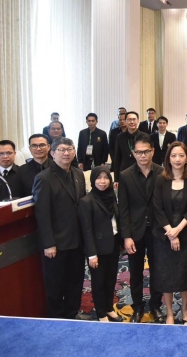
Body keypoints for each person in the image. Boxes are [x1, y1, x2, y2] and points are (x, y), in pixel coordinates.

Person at [32, 138, 87, 319]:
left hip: (77, 240)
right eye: (61, 150)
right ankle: (57, 319)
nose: (66, 153)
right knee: (55, 285)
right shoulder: (44, 178)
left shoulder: (78, 174)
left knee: (75, 280)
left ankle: (72, 314)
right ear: (53, 153)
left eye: (69, 149)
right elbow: (42, 214)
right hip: (56, 243)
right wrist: (48, 243)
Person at [152, 142, 187, 325]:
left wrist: (178, 230)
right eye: (173, 155)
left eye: (181, 155)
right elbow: (157, 208)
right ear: (168, 158)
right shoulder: (161, 179)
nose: (177, 159)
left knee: (183, 274)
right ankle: (169, 312)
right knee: (166, 275)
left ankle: (184, 308)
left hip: (186, 234)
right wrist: (170, 232)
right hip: (163, 236)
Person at [118, 137, 165, 323]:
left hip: (157, 231)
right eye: (139, 152)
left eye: (146, 151)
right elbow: (123, 209)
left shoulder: (162, 173)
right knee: (135, 272)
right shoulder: (125, 175)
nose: (143, 155)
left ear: (152, 151)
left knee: (157, 271)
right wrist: (126, 236)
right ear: (134, 153)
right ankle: (137, 307)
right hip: (135, 232)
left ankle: (155, 306)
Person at [78, 166, 123, 322]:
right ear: (92, 180)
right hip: (97, 249)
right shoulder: (86, 201)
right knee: (98, 283)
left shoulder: (112, 196)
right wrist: (92, 254)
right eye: (99, 178)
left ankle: (109, 308)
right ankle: (101, 313)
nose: (102, 181)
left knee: (111, 279)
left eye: (106, 178)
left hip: (113, 244)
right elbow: (87, 230)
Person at [112, 111, 149, 187]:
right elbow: (117, 158)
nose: (132, 122)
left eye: (134, 119)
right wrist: (116, 179)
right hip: (124, 172)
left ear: (138, 121)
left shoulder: (145, 136)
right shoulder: (120, 137)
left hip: (141, 172)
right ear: (125, 121)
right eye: (129, 120)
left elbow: (148, 157)